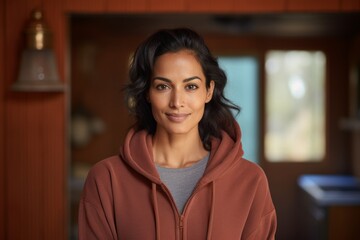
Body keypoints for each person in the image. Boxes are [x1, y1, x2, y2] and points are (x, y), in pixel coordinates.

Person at [78, 28, 277, 240]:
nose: (177, 102)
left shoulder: (250, 181)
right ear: (147, 92)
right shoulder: (106, 179)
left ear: (209, 91)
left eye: (190, 86)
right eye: (163, 86)